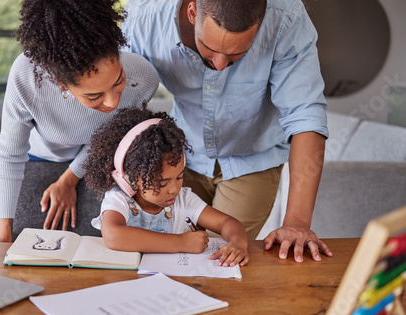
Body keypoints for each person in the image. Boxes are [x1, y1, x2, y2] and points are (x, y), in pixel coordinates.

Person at [121, 0, 333, 262]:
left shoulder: (286, 19)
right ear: (192, 11)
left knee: (219, 260)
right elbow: (122, 103)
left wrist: (297, 221)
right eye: (210, 50)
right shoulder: (145, 19)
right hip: (180, 155)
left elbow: (305, 116)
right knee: (170, 254)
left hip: (253, 159)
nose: (220, 65)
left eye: (236, 55)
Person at [0, 0, 159, 242]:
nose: (112, 102)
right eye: (94, 95)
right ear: (60, 82)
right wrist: (2, 234)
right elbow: (10, 155)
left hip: (102, 159)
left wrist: (69, 179)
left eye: (117, 81)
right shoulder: (26, 77)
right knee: (24, 240)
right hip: (38, 158)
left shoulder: (143, 78)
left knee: (101, 241)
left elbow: (115, 137)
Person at [84, 108, 249, 267]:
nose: (174, 189)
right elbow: (113, 236)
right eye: (163, 183)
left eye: (180, 177)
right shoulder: (119, 199)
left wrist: (238, 242)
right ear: (131, 178)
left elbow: (227, 223)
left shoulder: (183, 199)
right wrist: (181, 243)